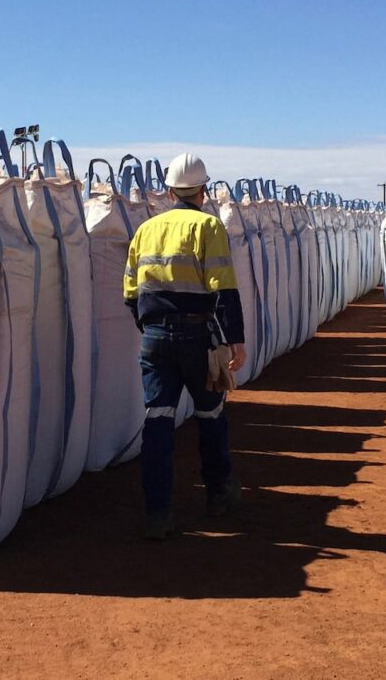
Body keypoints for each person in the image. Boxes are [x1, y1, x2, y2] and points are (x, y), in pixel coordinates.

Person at [123, 153, 247, 540]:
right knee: (211, 416)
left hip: (155, 339)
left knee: (157, 424)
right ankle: (218, 494)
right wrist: (234, 340)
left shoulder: (146, 229)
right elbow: (223, 287)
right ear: (203, 189)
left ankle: (157, 514)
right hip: (199, 340)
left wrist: (151, 329)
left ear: (169, 189)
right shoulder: (209, 226)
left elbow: (130, 291)